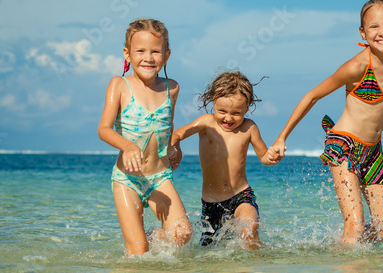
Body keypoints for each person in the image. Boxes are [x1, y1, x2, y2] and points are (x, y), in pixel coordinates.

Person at [269, 0, 383, 245]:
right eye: (374, 27)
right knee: (355, 228)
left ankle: (344, 259)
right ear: (363, 32)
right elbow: (312, 96)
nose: (382, 32)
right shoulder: (357, 67)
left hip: (373, 151)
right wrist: (281, 138)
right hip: (343, 145)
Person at [98, 18, 192, 255]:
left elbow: (168, 126)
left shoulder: (172, 88)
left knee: (182, 234)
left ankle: (152, 238)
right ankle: (140, 250)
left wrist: (175, 145)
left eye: (155, 51)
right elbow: (104, 129)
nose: (148, 58)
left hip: (159, 176)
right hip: (127, 179)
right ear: (127, 54)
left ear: (166, 55)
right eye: (140, 51)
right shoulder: (119, 85)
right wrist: (128, 146)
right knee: (138, 252)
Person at [169, 71, 277, 249]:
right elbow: (177, 134)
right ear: (213, 102)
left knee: (249, 229)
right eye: (222, 111)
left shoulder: (249, 128)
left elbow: (264, 157)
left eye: (236, 113)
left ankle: (257, 267)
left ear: (247, 108)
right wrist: (176, 147)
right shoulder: (206, 123)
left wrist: (272, 157)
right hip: (211, 204)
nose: (228, 118)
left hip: (241, 196)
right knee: (211, 251)